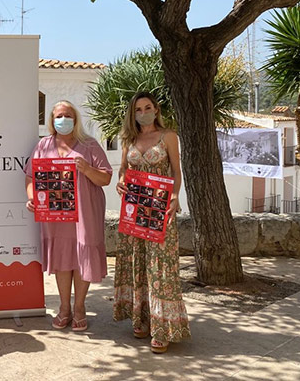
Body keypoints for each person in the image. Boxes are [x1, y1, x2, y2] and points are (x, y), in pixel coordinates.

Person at [114, 91, 190, 353]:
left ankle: (163, 327)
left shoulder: (168, 136)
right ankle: (142, 319)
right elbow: (123, 170)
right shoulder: (128, 139)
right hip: (135, 210)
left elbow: (177, 170)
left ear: (156, 110)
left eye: (147, 107)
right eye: (138, 109)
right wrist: (121, 182)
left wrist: (177, 195)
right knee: (139, 263)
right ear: (132, 114)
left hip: (160, 208)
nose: (143, 113)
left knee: (161, 266)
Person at [25, 100, 112, 332]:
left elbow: (105, 178)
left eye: (68, 115)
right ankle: (64, 308)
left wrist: (86, 169)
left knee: (82, 257)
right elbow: (31, 178)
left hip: (86, 212)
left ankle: (80, 307)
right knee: (63, 259)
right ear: (52, 121)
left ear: (76, 119)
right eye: (59, 116)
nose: (63, 119)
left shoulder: (90, 145)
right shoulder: (43, 145)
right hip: (56, 215)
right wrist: (33, 198)